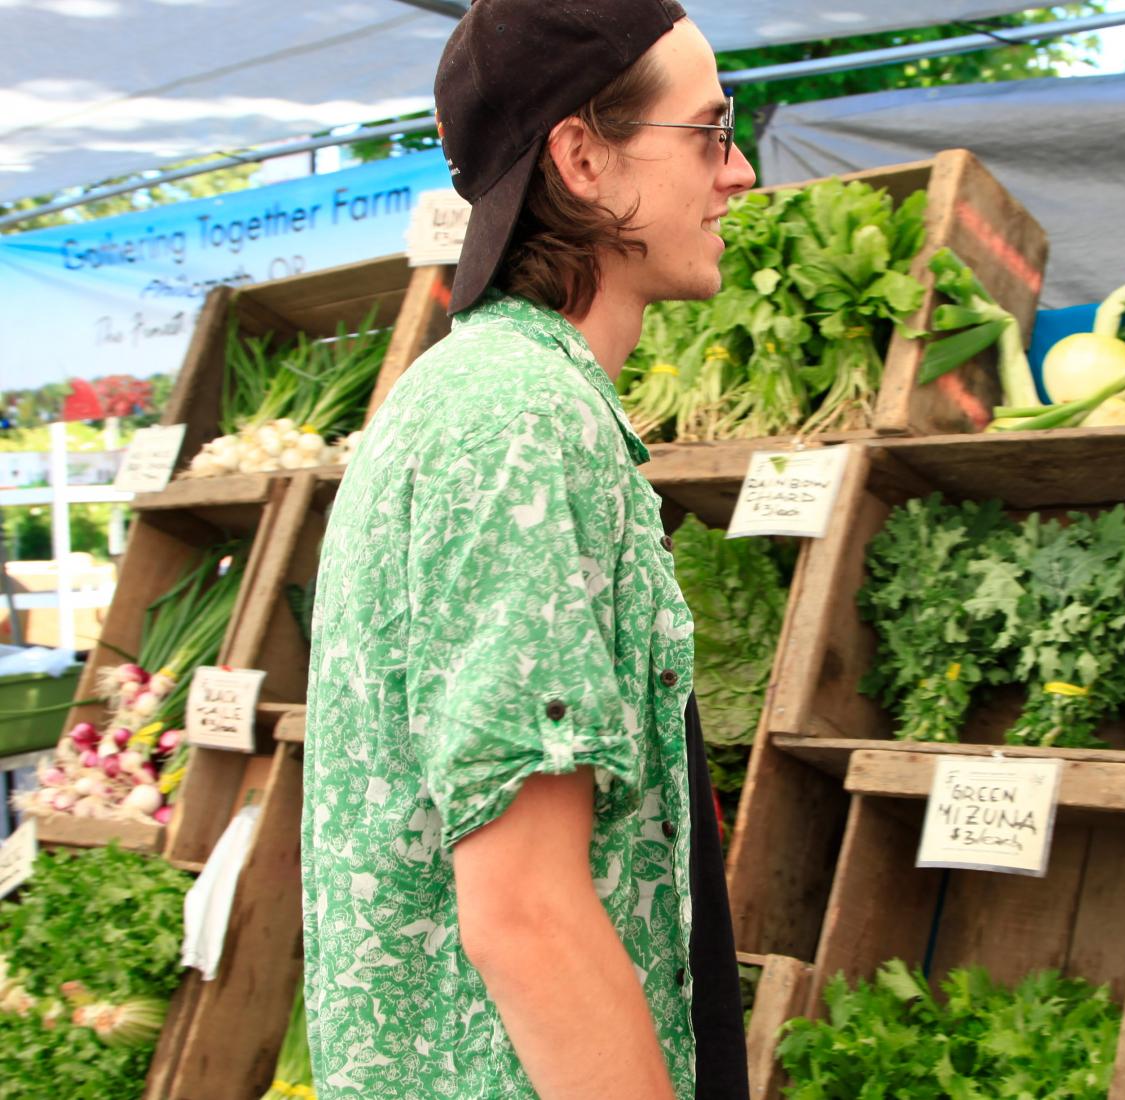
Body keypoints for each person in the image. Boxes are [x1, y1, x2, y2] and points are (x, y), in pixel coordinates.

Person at [300, 1, 758, 1096]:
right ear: (583, 158)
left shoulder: (486, 394)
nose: (738, 173)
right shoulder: (514, 419)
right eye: (711, 130)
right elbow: (526, 910)